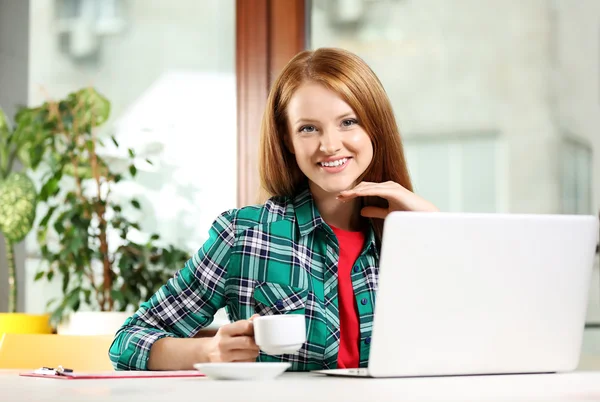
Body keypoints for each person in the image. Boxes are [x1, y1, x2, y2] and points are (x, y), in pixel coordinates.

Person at [108, 47, 438, 372]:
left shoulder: (410, 237)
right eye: (308, 128)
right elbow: (128, 340)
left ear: (375, 127)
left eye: (348, 122)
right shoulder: (245, 235)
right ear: (287, 140)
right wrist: (209, 351)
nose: (330, 145)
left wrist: (435, 231)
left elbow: (476, 336)